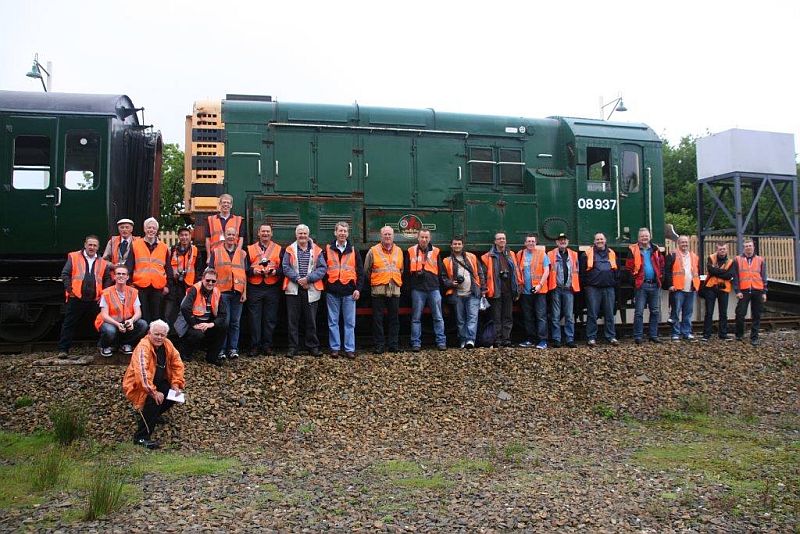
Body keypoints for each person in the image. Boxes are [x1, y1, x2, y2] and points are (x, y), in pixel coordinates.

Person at [122, 320, 185, 449]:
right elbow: (142, 374)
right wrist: (153, 392)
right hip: (138, 386)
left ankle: (153, 416)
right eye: (156, 334)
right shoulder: (143, 347)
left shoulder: (167, 344)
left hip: (157, 382)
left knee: (175, 395)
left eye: (162, 335)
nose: (159, 337)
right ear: (149, 333)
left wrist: (176, 383)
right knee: (153, 400)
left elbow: (177, 364)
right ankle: (141, 437)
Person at [57, 235, 110, 359]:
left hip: (95, 298)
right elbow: (65, 274)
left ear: (98, 247)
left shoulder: (103, 262)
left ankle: (102, 347)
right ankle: (63, 349)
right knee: (69, 323)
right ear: (85, 245)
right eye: (90, 244)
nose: (92, 247)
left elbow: (107, 278)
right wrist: (70, 290)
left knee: (101, 323)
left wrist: (103, 293)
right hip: (76, 297)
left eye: (94, 245)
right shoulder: (74, 256)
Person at [282, 224, 327, 357]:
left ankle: (312, 346)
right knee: (292, 320)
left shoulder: (317, 250)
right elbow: (285, 266)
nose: (302, 236)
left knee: (311, 320)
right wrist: (298, 279)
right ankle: (292, 347)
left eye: (304, 233)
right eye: (300, 233)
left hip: (311, 288)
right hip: (293, 288)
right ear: (296, 235)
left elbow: (322, 268)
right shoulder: (289, 249)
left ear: (308, 235)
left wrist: (309, 279)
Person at [323, 222, 362, 359]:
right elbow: (322, 269)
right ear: (335, 232)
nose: (342, 233)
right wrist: (326, 286)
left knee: (349, 322)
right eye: (340, 231)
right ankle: (335, 348)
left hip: (349, 292)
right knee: (333, 321)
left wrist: (358, 289)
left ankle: (349, 349)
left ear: (348, 233)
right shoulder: (327, 249)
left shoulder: (354, 250)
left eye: (345, 231)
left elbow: (360, 272)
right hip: (332, 291)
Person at [362, 226, 404, 354]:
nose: (387, 237)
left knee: (394, 319)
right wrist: (376, 280)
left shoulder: (399, 251)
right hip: (378, 290)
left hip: (394, 289)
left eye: (389, 234)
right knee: (377, 319)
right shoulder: (373, 251)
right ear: (381, 236)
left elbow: (400, 270)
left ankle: (393, 345)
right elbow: (366, 270)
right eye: (385, 234)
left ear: (393, 236)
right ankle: (379, 345)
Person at [208, 227, 247, 359]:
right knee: (224, 321)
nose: (231, 236)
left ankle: (233, 349)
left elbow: (244, 274)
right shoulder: (216, 251)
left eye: (233, 234)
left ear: (236, 237)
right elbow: (211, 273)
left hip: (237, 292)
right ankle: (221, 349)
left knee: (235, 322)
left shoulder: (242, 254)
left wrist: (244, 292)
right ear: (225, 235)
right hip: (222, 293)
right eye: (229, 234)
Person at [245, 224, 283, 356]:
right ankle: (254, 346)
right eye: (263, 231)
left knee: (270, 318)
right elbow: (244, 268)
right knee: (254, 318)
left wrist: (275, 271)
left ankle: (267, 346)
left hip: (272, 286)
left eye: (268, 231)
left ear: (271, 234)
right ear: (258, 233)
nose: (265, 233)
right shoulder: (250, 249)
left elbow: (283, 269)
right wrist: (252, 270)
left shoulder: (278, 248)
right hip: (254, 286)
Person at [177, 268, 228, 365]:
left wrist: (211, 324)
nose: (210, 283)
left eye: (213, 281)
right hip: (190, 323)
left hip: (207, 322)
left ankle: (212, 357)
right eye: (208, 280)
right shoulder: (194, 289)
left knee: (223, 326)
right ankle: (185, 354)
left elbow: (223, 314)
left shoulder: (217, 292)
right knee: (197, 334)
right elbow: (185, 307)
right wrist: (194, 324)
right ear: (203, 279)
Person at [95, 265, 148, 357]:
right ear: (114, 276)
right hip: (110, 322)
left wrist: (131, 321)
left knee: (143, 324)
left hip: (126, 322)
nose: (121, 276)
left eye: (123, 274)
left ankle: (125, 344)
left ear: (127, 277)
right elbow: (104, 315)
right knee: (110, 330)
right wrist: (117, 324)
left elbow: (138, 313)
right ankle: (104, 346)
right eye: (118, 274)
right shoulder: (106, 292)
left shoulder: (133, 292)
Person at [407, 229, 446, 351]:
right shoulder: (411, 251)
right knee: (416, 318)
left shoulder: (435, 251)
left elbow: (440, 271)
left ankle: (441, 342)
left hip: (433, 288)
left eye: (426, 237)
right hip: (418, 289)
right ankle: (416, 343)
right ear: (418, 238)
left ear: (429, 239)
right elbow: (406, 272)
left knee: (438, 317)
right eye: (422, 237)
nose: (424, 239)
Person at [442, 236, 485, 349]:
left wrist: (483, 289)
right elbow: (443, 278)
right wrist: (451, 283)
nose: (457, 246)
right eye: (455, 244)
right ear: (451, 246)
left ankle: (470, 340)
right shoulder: (447, 261)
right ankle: (462, 340)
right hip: (457, 294)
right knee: (460, 320)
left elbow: (480, 273)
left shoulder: (472, 257)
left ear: (462, 245)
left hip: (472, 292)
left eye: (459, 244)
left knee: (472, 317)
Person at [625, 228, 665, 344]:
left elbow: (661, 265)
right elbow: (629, 267)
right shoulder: (633, 250)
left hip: (654, 284)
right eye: (642, 236)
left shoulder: (656, 249)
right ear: (639, 238)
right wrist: (634, 281)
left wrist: (661, 278)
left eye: (646, 236)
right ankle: (638, 336)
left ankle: (653, 335)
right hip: (641, 285)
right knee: (639, 312)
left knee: (655, 311)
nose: (644, 238)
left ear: (650, 237)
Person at [580, 232, 619, 346]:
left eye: (601, 239)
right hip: (593, 288)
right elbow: (582, 272)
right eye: (597, 239)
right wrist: (586, 285)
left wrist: (614, 283)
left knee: (609, 313)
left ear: (605, 240)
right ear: (594, 241)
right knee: (592, 313)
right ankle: (591, 337)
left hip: (608, 287)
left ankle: (611, 336)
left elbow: (617, 271)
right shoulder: (587, 254)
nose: (600, 241)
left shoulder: (612, 253)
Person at [481, 232, 519, 347]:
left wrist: (517, 288)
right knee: (496, 317)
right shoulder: (487, 256)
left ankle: (506, 339)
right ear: (495, 241)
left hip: (509, 290)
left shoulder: (511, 254)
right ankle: (497, 340)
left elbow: (517, 273)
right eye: (499, 239)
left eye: (503, 238)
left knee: (508, 316)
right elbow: (483, 274)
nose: (502, 240)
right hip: (495, 291)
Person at [131, 217, 171, 322]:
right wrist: (130, 283)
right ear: (144, 229)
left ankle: (155, 336)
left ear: (156, 231)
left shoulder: (164, 247)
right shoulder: (135, 245)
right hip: (140, 285)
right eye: (149, 228)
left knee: (157, 315)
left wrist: (167, 286)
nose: (151, 230)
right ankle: (144, 337)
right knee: (143, 315)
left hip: (158, 286)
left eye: (153, 228)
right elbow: (130, 265)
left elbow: (168, 268)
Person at [515, 234, 550, 349]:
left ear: (536, 243)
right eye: (529, 241)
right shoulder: (520, 254)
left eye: (533, 241)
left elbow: (546, 271)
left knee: (541, 316)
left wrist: (540, 285)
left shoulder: (541, 254)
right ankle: (530, 339)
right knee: (528, 316)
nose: (531, 243)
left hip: (539, 291)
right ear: (525, 243)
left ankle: (543, 340)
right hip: (525, 291)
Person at [664, 235, 700, 341]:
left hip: (690, 288)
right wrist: (670, 284)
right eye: (682, 242)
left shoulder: (694, 256)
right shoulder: (672, 255)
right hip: (678, 288)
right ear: (678, 244)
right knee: (675, 312)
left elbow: (697, 271)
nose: (684, 244)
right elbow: (668, 271)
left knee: (688, 313)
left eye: (686, 242)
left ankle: (686, 332)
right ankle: (675, 333)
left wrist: (696, 285)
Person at [547, 233, 579, 349]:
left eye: (564, 240)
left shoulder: (574, 255)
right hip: (556, 288)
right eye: (560, 240)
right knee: (555, 315)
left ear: (568, 242)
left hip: (569, 289)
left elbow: (576, 270)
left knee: (569, 316)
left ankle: (569, 339)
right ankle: (556, 339)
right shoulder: (550, 254)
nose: (562, 242)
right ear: (556, 242)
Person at [733, 238, 768, 346]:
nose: (748, 248)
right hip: (744, 290)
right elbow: (735, 277)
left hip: (758, 290)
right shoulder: (737, 259)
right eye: (746, 246)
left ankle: (754, 337)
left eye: (750, 246)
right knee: (740, 313)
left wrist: (764, 292)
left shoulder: (760, 260)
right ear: (744, 247)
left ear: (753, 247)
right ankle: (739, 335)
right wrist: (737, 290)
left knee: (756, 315)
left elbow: (763, 276)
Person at [164, 227, 200, 328]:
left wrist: (196, 286)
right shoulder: (173, 250)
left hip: (188, 286)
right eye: (182, 235)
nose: (184, 237)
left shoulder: (195, 251)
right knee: (169, 313)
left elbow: (198, 269)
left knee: (185, 313)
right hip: (174, 285)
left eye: (186, 235)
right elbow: (168, 267)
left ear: (190, 236)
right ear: (179, 237)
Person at [702, 243, 735, 342]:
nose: (722, 250)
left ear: (727, 250)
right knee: (709, 312)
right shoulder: (711, 258)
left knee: (723, 313)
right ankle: (706, 335)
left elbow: (729, 275)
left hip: (723, 289)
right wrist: (723, 272)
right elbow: (710, 270)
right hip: (711, 287)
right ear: (717, 249)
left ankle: (723, 334)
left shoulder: (731, 262)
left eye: (724, 249)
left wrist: (717, 271)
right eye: (720, 249)